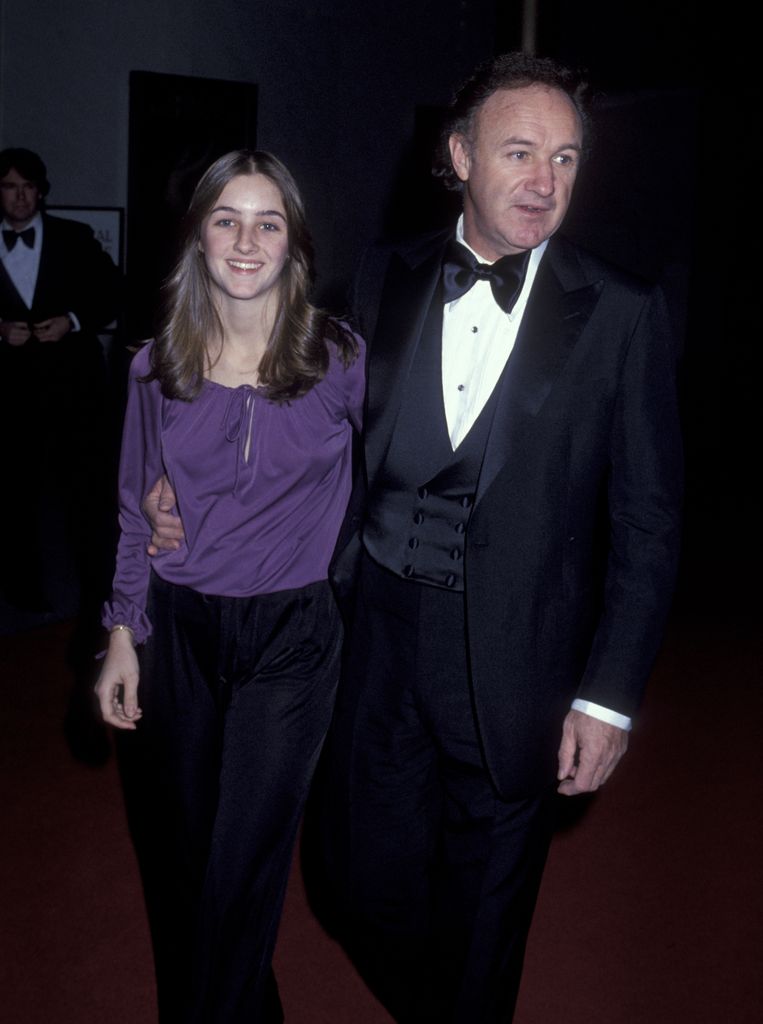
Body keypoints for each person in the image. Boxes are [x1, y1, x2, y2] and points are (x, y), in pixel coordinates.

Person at [147, 53, 683, 1022]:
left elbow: (647, 524)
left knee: (486, 910)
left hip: (519, 656)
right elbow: (307, 428)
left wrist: (607, 699)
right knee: (354, 880)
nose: (542, 181)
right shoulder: (386, 274)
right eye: (518, 152)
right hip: (374, 639)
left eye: (564, 158)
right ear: (457, 156)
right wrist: (181, 488)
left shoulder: (623, 313)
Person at [94, 149, 364, 1023]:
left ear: (294, 244)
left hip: (295, 634)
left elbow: (404, 475)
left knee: (242, 855)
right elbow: (138, 509)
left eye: (268, 222)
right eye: (226, 220)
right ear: (198, 238)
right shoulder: (153, 368)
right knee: (183, 852)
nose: (246, 241)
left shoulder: (341, 361)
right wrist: (123, 634)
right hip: (179, 627)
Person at [0, 147, 120, 615]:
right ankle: (24, 599)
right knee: (13, 497)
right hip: (8, 397)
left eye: (28, 186)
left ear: (42, 191)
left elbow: (115, 292)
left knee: (86, 496)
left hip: (73, 393)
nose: (20, 197)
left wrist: (72, 320)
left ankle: (99, 598)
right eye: (10, 186)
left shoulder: (74, 238)